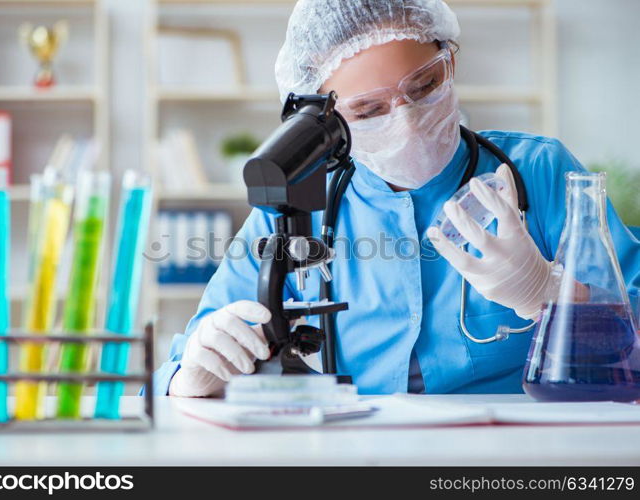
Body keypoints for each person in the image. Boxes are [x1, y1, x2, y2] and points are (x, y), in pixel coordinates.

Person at [155, 0, 640, 397]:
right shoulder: (297, 202)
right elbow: (184, 362)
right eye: (368, 109)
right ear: (327, 121)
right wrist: (193, 374)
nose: (408, 121)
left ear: (450, 59)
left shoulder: (539, 171)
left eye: (425, 85)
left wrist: (550, 296)